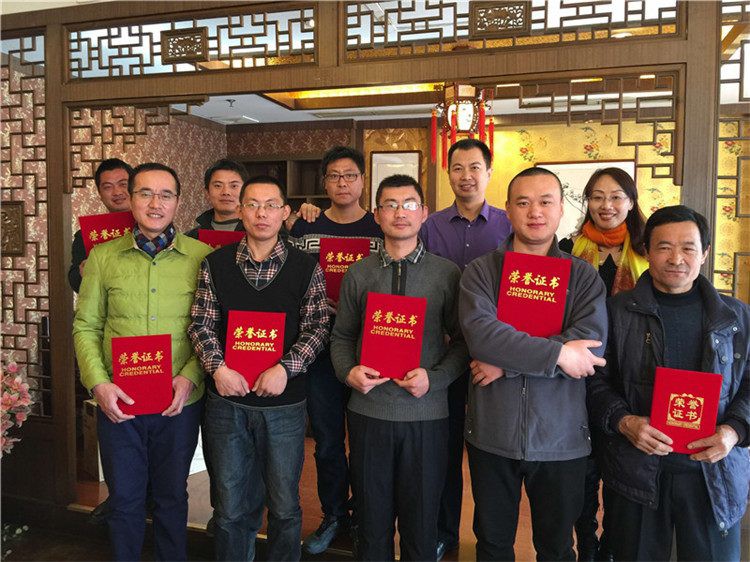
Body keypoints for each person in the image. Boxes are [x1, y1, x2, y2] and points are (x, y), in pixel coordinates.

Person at [459, 167, 608, 561]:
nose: (535, 212)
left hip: (561, 438)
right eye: (523, 203)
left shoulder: (583, 276)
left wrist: (506, 365)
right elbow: (482, 336)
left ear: (561, 210)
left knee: (556, 548)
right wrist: (559, 353)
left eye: (545, 202)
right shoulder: (481, 271)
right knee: (492, 544)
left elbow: (589, 347)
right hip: (492, 433)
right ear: (508, 209)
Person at [587, 205, 749, 561]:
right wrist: (624, 421)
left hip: (713, 473)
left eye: (688, 248)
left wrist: (734, 431)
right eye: (664, 247)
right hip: (637, 468)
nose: (676, 258)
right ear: (646, 251)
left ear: (704, 253)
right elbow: (594, 380)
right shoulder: (616, 311)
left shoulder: (735, 315)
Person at [73, 162, 212, 561]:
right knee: (125, 499)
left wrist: (190, 377)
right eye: (145, 193)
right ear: (131, 200)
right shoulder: (103, 257)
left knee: (172, 496)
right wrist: (99, 384)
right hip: (120, 401)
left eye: (165, 195)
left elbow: (210, 326)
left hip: (178, 401)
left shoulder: (202, 257)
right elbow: (86, 325)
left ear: (178, 202)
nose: (155, 203)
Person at [188, 175, 330, 561]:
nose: (261, 213)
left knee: (284, 507)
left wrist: (285, 368)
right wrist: (218, 369)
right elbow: (201, 324)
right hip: (227, 404)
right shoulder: (214, 264)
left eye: (270, 205)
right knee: (230, 508)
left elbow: (318, 327)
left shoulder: (306, 267)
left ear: (285, 213)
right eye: (252, 204)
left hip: (284, 406)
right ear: (240, 210)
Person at [330, 174, 469, 560]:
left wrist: (434, 379)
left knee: (421, 525)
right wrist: (348, 372)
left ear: (424, 212)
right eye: (390, 205)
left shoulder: (446, 273)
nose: (399, 212)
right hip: (368, 413)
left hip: (426, 415)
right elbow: (341, 337)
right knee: (371, 524)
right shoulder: (359, 273)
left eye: (408, 204)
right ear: (377, 215)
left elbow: (462, 342)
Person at [419, 138, 512, 560]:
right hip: (445, 353)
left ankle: (493, 540)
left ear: (489, 172)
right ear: (449, 173)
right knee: (446, 448)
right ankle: (445, 532)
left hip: (496, 358)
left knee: (492, 453)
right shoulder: (430, 226)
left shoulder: (510, 225)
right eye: (457, 168)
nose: (466, 176)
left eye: (475, 167)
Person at [287, 146, 383, 555]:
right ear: (324, 183)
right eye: (334, 176)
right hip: (320, 353)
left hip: (371, 352)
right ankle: (333, 515)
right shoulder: (305, 227)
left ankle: (365, 518)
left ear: (363, 181)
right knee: (327, 441)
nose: (343, 183)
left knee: (367, 443)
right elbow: (290, 283)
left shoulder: (380, 227)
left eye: (350, 175)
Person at [558, 167, 649, 561]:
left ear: (630, 201)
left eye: (615, 197)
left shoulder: (648, 251)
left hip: (629, 377)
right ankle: (587, 547)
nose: (606, 205)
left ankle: (612, 547)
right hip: (577, 375)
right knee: (582, 473)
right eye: (597, 197)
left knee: (621, 473)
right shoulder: (567, 249)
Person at [68, 158, 133, 293]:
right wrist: (83, 273)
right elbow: (75, 282)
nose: (117, 192)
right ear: (100, 193)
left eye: (123, 184)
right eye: (108, 187)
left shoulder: (152, 227)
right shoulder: (87, 234)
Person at [185, 158, 248, 239]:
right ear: (207, 193)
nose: (226, 192)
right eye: (218, 186)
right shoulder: (190, 238)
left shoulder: (257, 234)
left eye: (234, 186)